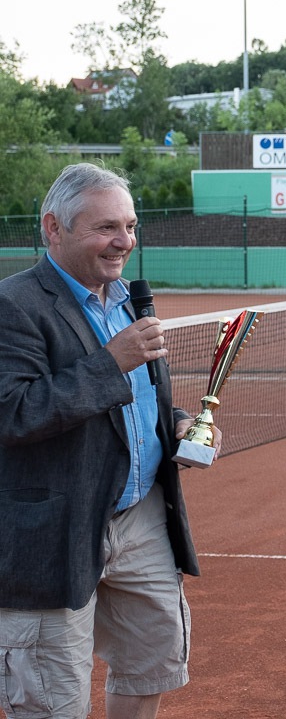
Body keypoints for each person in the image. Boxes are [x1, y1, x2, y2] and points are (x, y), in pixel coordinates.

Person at [0, 163, 219, 719]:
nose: (124, 241)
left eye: (130, 226)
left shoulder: (127, 298)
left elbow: (139, 400)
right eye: (106, 228)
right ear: (54, 228)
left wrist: (178, 425)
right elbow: (13, 413)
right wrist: (110, 363)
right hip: (57, 528)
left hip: (140, 516)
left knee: (151, 664)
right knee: (51, 698)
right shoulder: (14, 305)